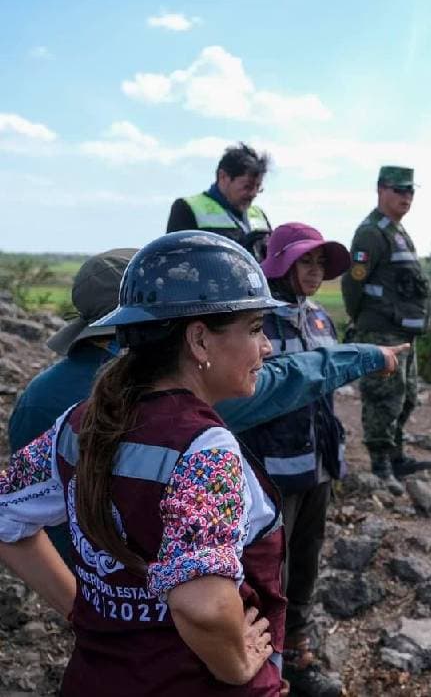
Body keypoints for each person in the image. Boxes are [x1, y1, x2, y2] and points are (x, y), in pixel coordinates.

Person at [0, 232, 403, 696]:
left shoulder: (79, 423)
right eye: (255, 329)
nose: (266, 347)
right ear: (199, 340)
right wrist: (238, 666)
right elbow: (205, 607)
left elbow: (8, 516)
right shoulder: (205, 451)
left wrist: (83, 612)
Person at [9, 247, 407, 565]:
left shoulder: (44, 401)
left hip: (95, 596)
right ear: (191, 335)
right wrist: (366, 356)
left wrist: (76, 605)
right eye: (255, 329)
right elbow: (289, 377)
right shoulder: (199, 432)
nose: (265, 346)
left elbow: (19, 510)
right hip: (171, 623)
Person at [240, 223, 351, 696]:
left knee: (306, 561)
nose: (315, 271)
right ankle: (261, 666)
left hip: (318, 467)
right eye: (306, 261)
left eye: (321, 263)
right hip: (271, 471)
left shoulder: (320, 318)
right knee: (268, 570)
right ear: (281, 262)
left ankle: (296, 653)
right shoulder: (257, 321)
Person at [341, 166, 431, 493]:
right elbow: (353, 283)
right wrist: (362, 321)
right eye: (399, 190)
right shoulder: (371, 233)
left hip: (403, 330)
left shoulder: (396, 230)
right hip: (380, 329)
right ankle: (380, 465)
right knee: (384, 397)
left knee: (406, 397)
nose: (406, 197)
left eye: (410, 191)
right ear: (381, 190)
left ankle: (396, 456)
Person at [167, 143, 273, 260]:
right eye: (247, 187)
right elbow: (176, 261)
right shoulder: (186, 208)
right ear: (223, 177)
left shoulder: (259, 215)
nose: (253, 194)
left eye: (258, 187)